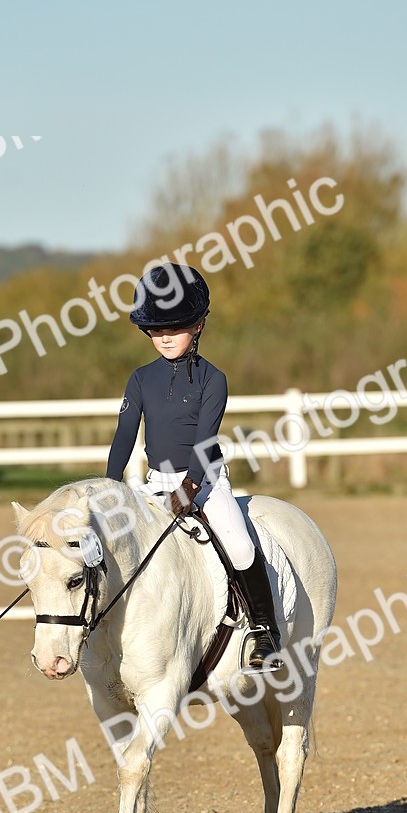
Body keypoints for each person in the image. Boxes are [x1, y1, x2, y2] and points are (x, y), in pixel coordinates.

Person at [105, 263, 282, 671]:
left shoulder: (213, 380)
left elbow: (206, 440)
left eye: (177, 326)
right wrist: (109, 488)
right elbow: (124, 437)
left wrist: (190, 488)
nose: (164, 336)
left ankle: (263, 632)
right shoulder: (140, 379)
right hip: (154, 483)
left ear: (199, 325)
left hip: (205, 481)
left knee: (239, 545)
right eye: (155, 328)